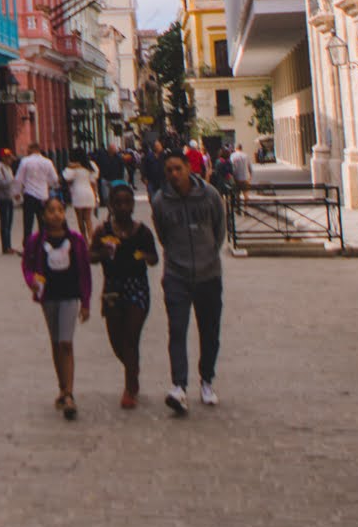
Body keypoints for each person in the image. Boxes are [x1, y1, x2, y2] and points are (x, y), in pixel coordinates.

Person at [151, 152, 227, 414]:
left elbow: (219, 230)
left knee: (210, 331)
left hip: (209, 274)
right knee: (178, 330)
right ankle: (179, 386)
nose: (173, 174)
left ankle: (207, 381)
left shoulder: (210, 196)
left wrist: (208, 255)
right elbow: (163, 235)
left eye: (177, 169)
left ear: (188, 168)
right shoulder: (161, 201)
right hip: (176, 276)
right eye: (169, 170)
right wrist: (178, 257)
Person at [20, 194, 92, 419]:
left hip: (70, 296)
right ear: (43, 215)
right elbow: (27, 265)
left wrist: (86, 301)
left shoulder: (77, 240)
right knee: (55, 342)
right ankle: (62, 387)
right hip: (49, 297)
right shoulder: (36, 241)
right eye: (51, 211)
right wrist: (32, 280)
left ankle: (69, 393)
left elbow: (84, 272)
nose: (56, 214)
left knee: (65, 342)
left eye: (60, 210)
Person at [91, 180, 159, 407]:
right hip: (112, 288)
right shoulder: (102, 231)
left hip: (136, 287)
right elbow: (90, 257)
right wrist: (103, 252)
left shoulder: (142, 232)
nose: (122, 207)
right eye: (118, 203)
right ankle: (133, 368)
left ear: (133, 205)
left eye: (127, 202)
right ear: (110, 205)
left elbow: (154, 258)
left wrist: (143, 256)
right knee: (116, 340)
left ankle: (130, 388)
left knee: (131, 337)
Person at [14, 142, 60, 243]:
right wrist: (49, 185)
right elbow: (54, 179)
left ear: (31, 149)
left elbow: (18, 178)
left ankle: (27, 245)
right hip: (43, 196)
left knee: (28, 223)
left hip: (29, 195)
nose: (26, 151)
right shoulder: (47, 162)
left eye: (28, 149)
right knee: (43, 222)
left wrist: (17, 192)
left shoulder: (25, 161)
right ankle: (43, 243)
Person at [0, 150, 19, 254]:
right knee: (5, 223)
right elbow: (0, 182)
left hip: (9, 198)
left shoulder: (8, 168)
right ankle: (5, 247)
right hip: (2, 198)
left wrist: (15, 194)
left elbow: (11, 184)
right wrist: (12, 181)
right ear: (4, 158)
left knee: (9, 223)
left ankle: (9, 245)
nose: (10, 160)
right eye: (8, 158)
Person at [62, 152, 97, 220]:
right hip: (89, 192)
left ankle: (82, 231)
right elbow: (93, 181)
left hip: (77, 193)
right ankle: (90, 230)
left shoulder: (72, 168)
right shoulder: (90, 166)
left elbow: (67, 178)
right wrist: (96, 194)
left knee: (80, 218)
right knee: (88, 218)